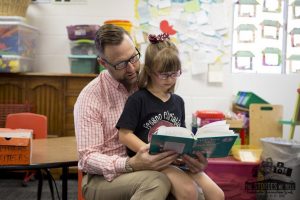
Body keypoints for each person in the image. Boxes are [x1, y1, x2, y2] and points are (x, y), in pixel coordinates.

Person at [74, 24, 209, 200]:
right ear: (103, 63)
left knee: (200, 191)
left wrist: (192, 159)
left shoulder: (151, 78)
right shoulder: (90, 98)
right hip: (104, 179)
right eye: (121, 64)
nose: (131, 68)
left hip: (154, 165)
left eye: (133, 57)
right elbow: (87, 158)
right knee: (156, 182)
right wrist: (130, 164)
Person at [116, 33, 225, 200]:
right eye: (164, 74)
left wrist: (192, 153)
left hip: (175, 159)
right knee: (189, 191)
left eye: (174, 74)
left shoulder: (178, 102)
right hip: (152, 162)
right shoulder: (138, 99)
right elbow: (124, 135)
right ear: (150, 71)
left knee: (217, 194)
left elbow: (183, 136)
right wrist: (146, 150)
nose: (170, 79)